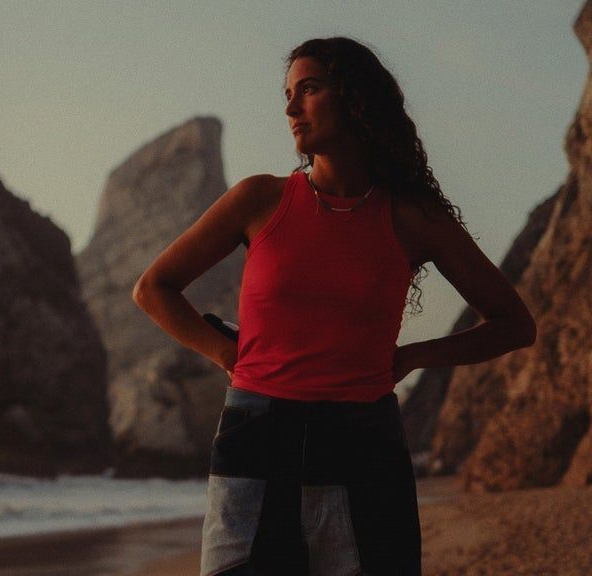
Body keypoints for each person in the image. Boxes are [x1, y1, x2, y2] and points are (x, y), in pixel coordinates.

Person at [132, 37, 536, 576]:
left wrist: (414, 357)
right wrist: (227, 355)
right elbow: (154, 288)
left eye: (309, 89)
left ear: (355, 98)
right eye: (287, 95)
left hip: (364, 442)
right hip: (256, 440)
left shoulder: (414, 217)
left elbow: (514, 325)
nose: (291, 109)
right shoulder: (259, 199)